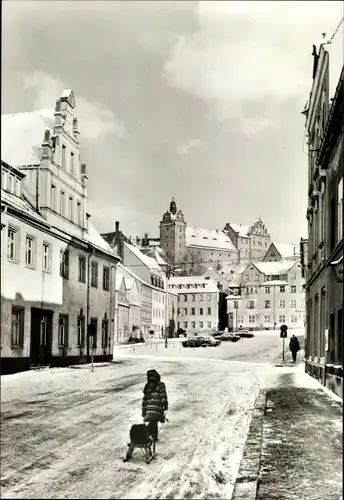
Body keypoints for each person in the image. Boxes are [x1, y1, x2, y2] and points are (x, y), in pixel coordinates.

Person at [142, 369, 168, 442]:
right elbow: (163, 395)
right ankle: (144, 434)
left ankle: (154, 437)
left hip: (148, 408)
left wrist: (144, 411)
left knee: (153, 421)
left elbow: (144, 399)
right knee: (154, 421)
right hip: (157, 407)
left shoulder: (147, 386)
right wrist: (165, 404)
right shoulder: (161, 385)